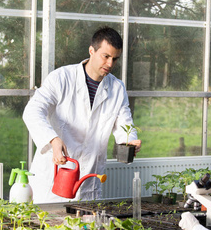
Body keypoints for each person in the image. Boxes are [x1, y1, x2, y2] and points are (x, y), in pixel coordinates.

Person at [23, 26, 141, 203]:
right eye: (106, 56)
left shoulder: (117, 88)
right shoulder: (61, 78)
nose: (110, 64)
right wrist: (53, 139)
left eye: (115, 59)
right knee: (51, 228)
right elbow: (32, 111)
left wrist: (130, 139)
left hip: (89, 182)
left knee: (87, 229)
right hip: (54, 177)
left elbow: (124, 123)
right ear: (91, 50)